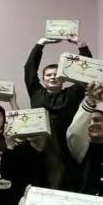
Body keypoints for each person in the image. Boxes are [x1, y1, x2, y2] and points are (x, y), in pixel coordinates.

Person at [23, 33, 93, 163]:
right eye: (48, 75)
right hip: (40, 147)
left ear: (64, 78)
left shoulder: (72, 94)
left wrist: (81, 45)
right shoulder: (36, 92)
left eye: (56, 74)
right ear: (43, 79)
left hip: (66, 148)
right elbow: (29, 70)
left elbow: (87, 74)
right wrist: (41, 43)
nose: (52, 77)